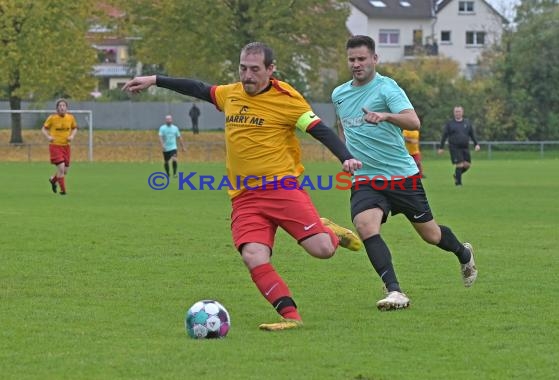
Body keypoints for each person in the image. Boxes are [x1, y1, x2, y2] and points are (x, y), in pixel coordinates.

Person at [123, 42, 363, 331]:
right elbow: (198, 88)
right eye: (243, 68)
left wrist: (346, 157)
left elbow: (320, 130)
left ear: (270, 70)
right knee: (253, 256)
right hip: (244, 197)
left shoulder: (287, 98)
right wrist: (155, 80)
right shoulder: (231, 94)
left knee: (323, 250)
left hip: (281, 189)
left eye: (254, 70)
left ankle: (329, 232)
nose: (247, 76)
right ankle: (291, 317)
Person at [332, 35, 477, 311]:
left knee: (431, 235)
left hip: (401, 177)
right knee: (365, 226)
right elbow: (343, 128)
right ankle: (394, 291)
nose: (356, 64)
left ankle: (463, 252)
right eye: (352, 59)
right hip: (366, 178)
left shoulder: (387, 89)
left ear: (375, 59)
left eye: (362, 58)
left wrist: (385, 116)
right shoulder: (339, 94)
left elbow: (414, 121)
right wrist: (346, 156)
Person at [42, 99, 78, 195]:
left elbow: (74, 128)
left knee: (65, 171)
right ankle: (63, 191)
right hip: (55, 146)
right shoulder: (52, 118)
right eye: (60, 106)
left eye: (64, 106)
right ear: (57, 108)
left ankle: (53, 180)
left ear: (66, 108)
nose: (62, 107)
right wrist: (48, 137)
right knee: (61, 168)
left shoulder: (70, 118)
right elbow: (44, 129)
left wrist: (72, 136)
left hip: (66, 147)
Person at [437, 106, 480, 186]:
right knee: (459, 164)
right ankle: (458, 183)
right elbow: (444, 136)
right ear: (454, 113)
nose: (457, 113)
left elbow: (472, 134)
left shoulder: (467, 123)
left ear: (462, 112)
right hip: (454, 147)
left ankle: (457, 175)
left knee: (467, 165)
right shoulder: (450, 124)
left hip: (465, 147)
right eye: (456, 111)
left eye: (459, 111)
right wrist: (441, 147)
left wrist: (476, 144)